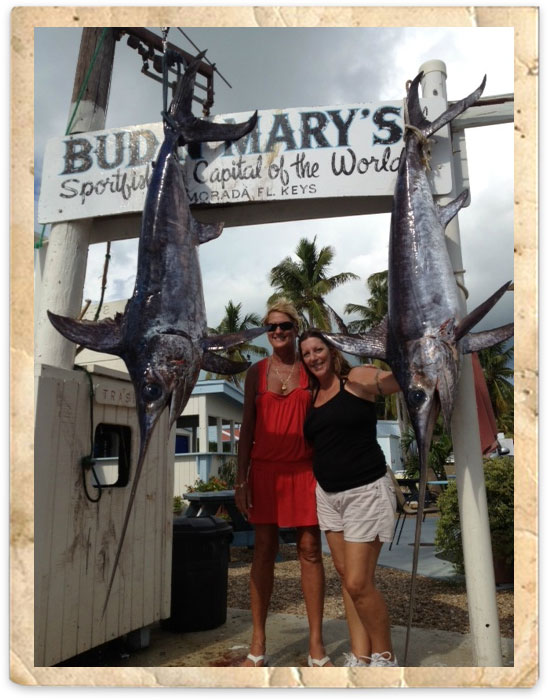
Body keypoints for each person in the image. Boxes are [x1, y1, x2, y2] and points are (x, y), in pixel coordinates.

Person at [234, 301, 333, 667]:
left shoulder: (311, 368)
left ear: (295, 328)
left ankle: (317, 645)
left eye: (285, 327)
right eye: (272, 327)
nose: (278, 332)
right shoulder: (255, 373)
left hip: (305, 469)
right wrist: (240, 479)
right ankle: (257, 644)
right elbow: (246, 428)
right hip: (263, 471)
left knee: (309, 549)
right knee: (264, 550)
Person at [298, 330, 401, 667]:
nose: (313, 357)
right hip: (328, 496)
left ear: (333, 350)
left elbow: (393, 382)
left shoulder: (355, 379)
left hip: (365, 491)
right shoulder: (312, 396)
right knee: (347, 579)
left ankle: (385, 657)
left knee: (358, 582)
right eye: (307, 354)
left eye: (318, 349)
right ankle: (361, 656)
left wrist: (398, 353)